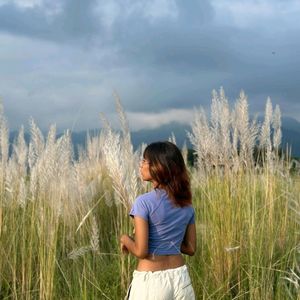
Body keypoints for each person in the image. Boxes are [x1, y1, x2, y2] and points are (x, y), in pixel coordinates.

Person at [120, 141, 196, 300]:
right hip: (181, 279)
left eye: (144, 161)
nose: (140, 165)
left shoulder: (143, 202)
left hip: (152, 283)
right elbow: (190, 248)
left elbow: (141, 251)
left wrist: (125, 239)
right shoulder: (187, 205)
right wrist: (167, 236)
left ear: (158, 167)